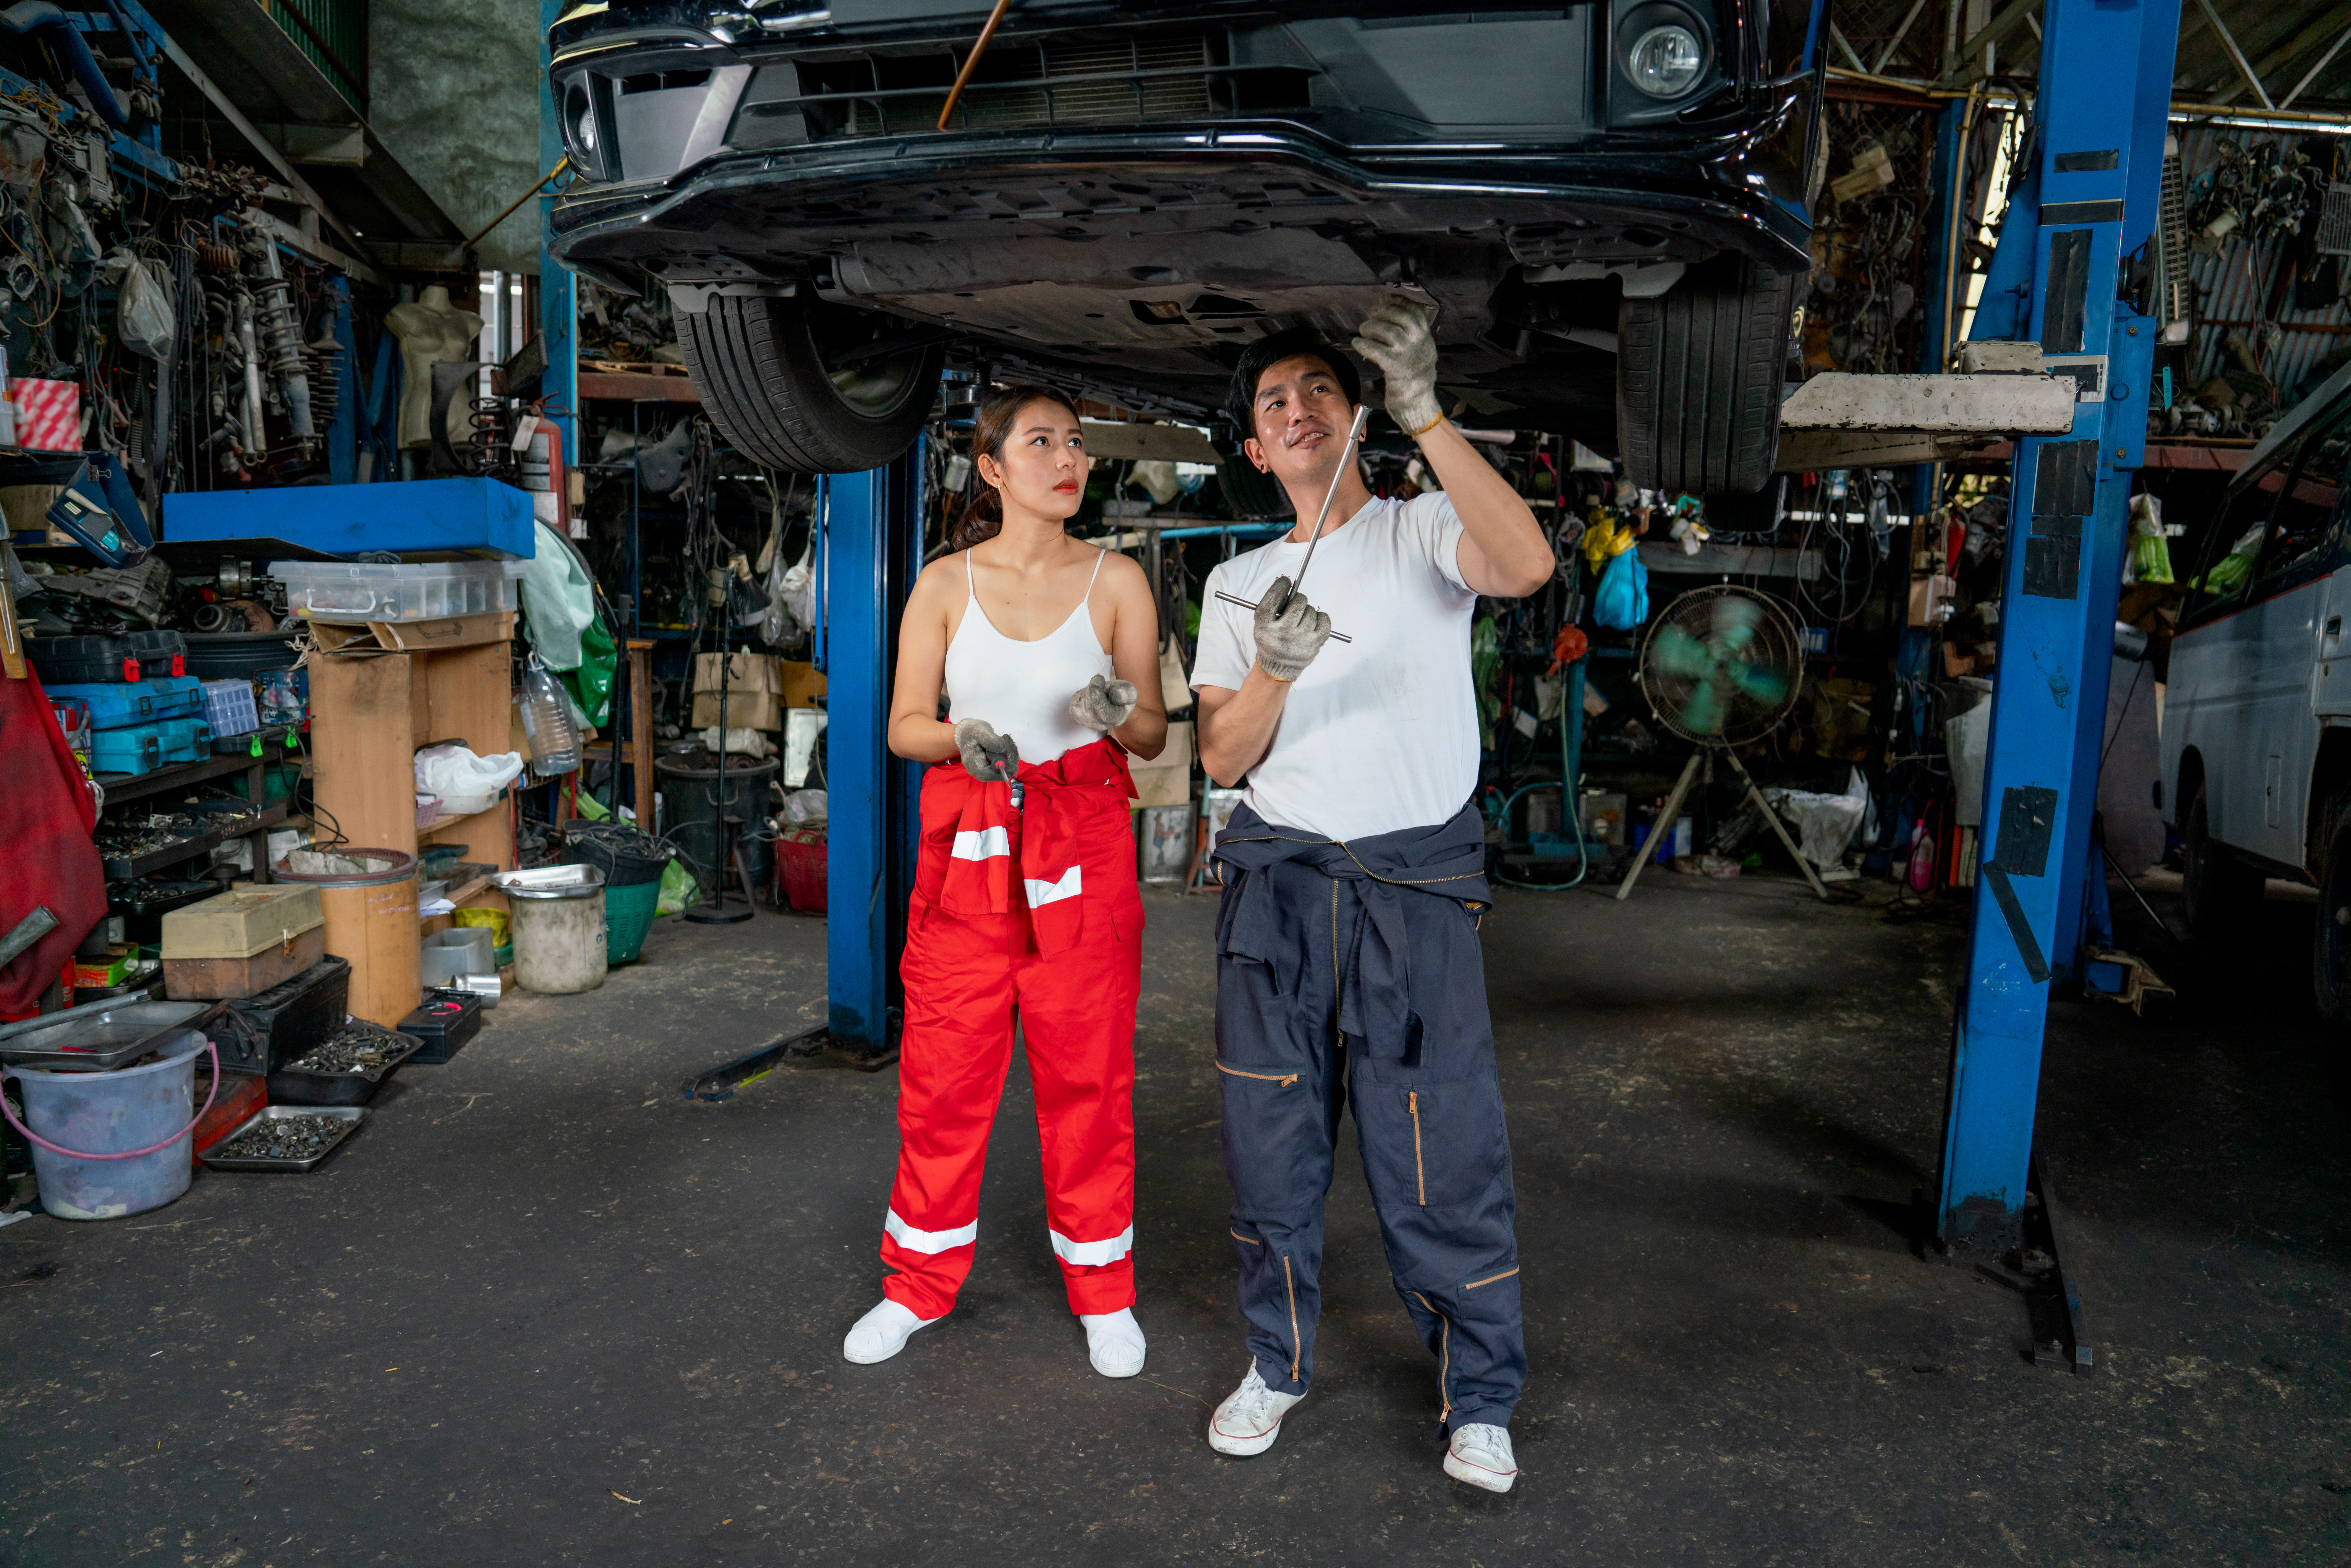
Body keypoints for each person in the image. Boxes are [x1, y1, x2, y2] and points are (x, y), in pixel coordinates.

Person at [1189, 304, 1554, 1492]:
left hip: (1410, 895)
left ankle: (1479, 1400)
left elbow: (1526, 566)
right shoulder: (1236, 584)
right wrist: (1274, 669)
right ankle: (1276, 1364)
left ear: (1354, 417)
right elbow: (1222, 756)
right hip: (1281, 898)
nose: (1298, 410)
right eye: (1273, 402)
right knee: (1271, 1150)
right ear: (1255, 449)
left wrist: (1428, 412)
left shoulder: (1421, 529)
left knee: (1440, 1147)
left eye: (1319, 391)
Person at [841, 384, 1169, 1379]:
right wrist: (961, 738)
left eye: (1075, 443)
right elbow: (905, 726)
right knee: (944, 1076)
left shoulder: (1118, 581)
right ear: (992, 467)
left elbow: (1153, 733)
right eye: (1040, 442)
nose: (1067, 459)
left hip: (1082, 847)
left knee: (1088, 1078)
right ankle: (916, 1286)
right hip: (975, 847)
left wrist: (1117, 712)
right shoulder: (945, 584)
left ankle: (1104, 1292)